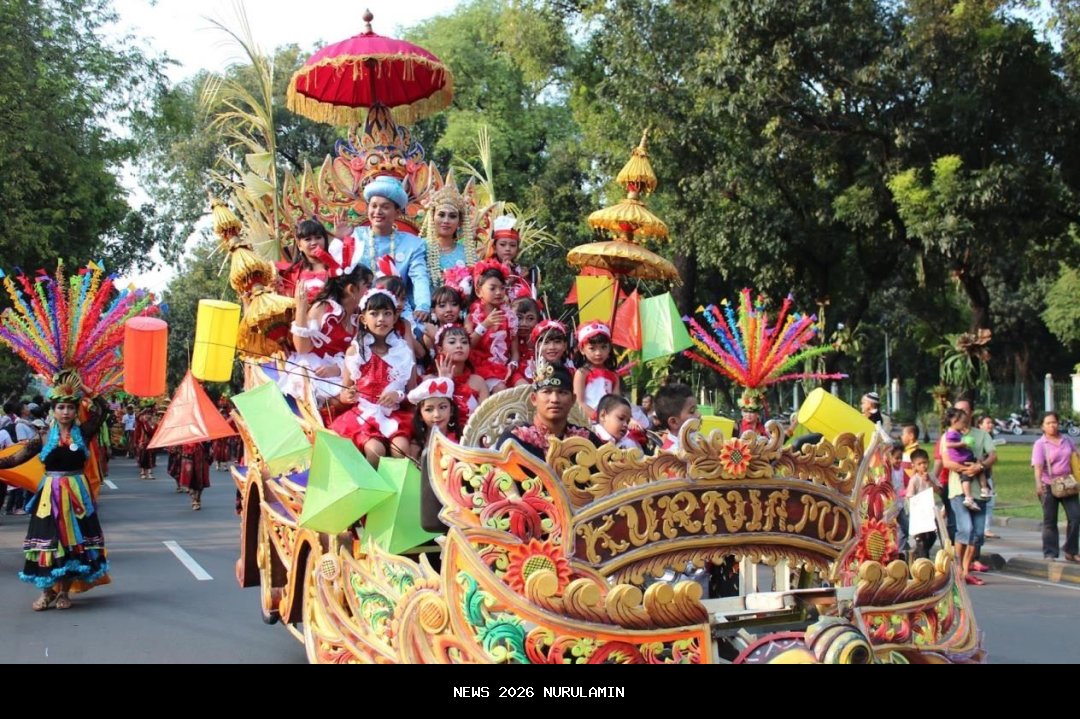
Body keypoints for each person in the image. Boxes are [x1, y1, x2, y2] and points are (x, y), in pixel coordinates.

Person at [16, 371, 109, 610]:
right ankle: (46, 592)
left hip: (77, 493)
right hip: (49, 495)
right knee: (47, 542)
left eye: (69, 407)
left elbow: (103, 409)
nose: (65, 412)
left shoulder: (84, 433)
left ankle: (64, 593)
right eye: (61, 407)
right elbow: (18, 457)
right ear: (53, 411)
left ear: (76, 410)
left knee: (72, 543)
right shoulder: (44, 436)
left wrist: (88, 390)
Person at [331, 288, 416, 467]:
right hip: (363, 416)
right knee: (375, 450)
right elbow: (344, 393)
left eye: (387, 313)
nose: (381, 319)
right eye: (374, 313)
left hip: (395, 415)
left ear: (394, 318)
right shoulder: (355, 353)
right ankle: (374, 491)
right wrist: (348, 396)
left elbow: (413, 394)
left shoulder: (404, 353)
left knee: (401, 449)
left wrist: (398, 396)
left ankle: (400, 491)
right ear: (363, 319)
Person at [340, 175, 432, 323]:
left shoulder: (413, 244)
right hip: (357, 309)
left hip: (397, 311)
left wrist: (423, 306)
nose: (378, 211)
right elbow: (339, 272)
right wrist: (341, 241)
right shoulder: (354, 236)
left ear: (397, 212)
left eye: (385, 206)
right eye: (374, 205)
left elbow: (419, 277)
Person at [938, 401, 996, 585]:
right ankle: (956, 568)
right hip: (958, 490)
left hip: (980, 491)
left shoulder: (982, 434)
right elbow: (946, 462)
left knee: (977, 533)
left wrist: (980, 466)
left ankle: (965, 569)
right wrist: (967, 469)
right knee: (965, 529)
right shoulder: (948, 437)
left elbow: (993, 455)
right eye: (958, 412)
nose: (962, 415)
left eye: (965, 411)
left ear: (970, 413)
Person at [496, 361, 599, 460]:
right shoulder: (515, 439)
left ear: (573, 400)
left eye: (562, 392)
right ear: (534, 399)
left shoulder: (586, 440)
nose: (554, 399)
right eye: (547, 391)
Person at [1031, 412, 1080, 562]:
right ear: (1042, 427)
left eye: (1054, 422)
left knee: (1075, 517)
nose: (1052, 426)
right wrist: (1039, 484)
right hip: (1049, 484)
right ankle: (1050, 552)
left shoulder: (1067, 440)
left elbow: (1076, 457)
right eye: (1048, 423)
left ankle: (1071, 550)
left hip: (1068, 484)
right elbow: (1038, 466)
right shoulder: (1040, 444)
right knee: (1050, 521)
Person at [465, 259, 518, 392]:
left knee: (523, 386)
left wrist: (513, 363)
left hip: (505, 368)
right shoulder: (471, 317)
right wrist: (484, 325)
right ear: (478, 291)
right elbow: (468, 345)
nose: (499, 292)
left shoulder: (510, 317)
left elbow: (515, 351)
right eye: (492, 288)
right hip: (481, 368)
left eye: (502, 288)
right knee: (500, 388)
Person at [433, 324, 489, 429]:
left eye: (464, 342)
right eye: (452, 342)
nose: (459, 346)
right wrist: (444, 382)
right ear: (440, 349)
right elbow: (434, 418)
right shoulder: (430, 380)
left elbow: (485, 418)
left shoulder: (478, 382)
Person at [424, 178, 476, 277]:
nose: (446, 221)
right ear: (432, 217)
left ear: (460, 222)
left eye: (452, 216)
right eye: (441, 215)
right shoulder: (420, 248)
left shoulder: (468, 255)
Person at [942, 407, 990, 511]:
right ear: (955, 421)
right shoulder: (951, 433)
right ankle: (984, 489)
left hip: (962, 458)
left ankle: (969, 498)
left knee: (966, 478)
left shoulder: (956, 432)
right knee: (980, 467)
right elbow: (949, 444)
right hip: (963, 458)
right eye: (963, 422)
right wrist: (962, 443)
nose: (965, 424)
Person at [573, 321, 620, 422]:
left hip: (610, 420)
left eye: (603, 347)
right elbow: (579, 402)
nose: (598, 353)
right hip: (588, 420)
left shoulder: (614, 375)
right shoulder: (582, 373)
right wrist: (597, 417)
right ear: (582, 350)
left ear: (609, 348)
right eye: (592, 348)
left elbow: (617, 402)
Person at [276, 218, 332, 300]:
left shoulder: (338, 267)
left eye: (318, 237)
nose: (314, 242)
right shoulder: (290, 273)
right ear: (299, 245)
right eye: (308, 239)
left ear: (325, 240)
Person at [409, 377, 461, 457]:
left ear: (451, 410)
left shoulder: (462, 440)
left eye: (443, 407)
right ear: (420, 415)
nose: (437, 415)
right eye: (429, 409)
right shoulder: (415, 447)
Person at [906, 449, 937, 560]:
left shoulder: (931, 476)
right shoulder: (914, 480)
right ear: (914, 465)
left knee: (932, 536)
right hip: (919, 513)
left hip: (930, 512)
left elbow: (939, 490)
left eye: (925, 463)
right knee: (921, 538)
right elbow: (910, 496)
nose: (923, 466)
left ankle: (918, 554)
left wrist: (930, 481)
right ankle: (924, 561)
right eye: (919, 464)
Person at [654, 383, 699, 452]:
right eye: (692, 411)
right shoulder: (671, 454)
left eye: (697, 409)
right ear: (673, 422)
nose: (699, 414)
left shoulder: (695, 441)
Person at [976, 415, 999, 539]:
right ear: (980, 425)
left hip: (987, 475)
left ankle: (986, 528)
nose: (990, 425)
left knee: (989, 502)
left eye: (991, 423)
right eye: (987, 423)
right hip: (977, 475)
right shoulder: (979, 439)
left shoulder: (989, 439)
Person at [179, 441, 211, 511]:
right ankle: (194, 500)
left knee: (201, 482)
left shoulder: (204, 437)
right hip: (189, 462)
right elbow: (183, 451)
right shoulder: (186, 438)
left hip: (202, 462)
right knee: (190, 482)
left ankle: (197, 499)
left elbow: (209, 450)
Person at [133, 403, 157, 479]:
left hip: (151, 443)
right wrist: (143, 411)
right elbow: (136, 418)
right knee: (142, 458)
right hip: (142, 443)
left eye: (149, 414)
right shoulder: (142, 423)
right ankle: (143, 472)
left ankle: (149, 473)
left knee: (150, 458)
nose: (147, 416)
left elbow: (154, 433)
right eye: (146, 414)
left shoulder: (154, 424)